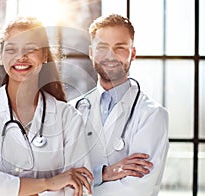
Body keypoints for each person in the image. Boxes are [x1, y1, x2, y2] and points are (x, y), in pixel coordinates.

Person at [0, 16, 93, 196]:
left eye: (31, 49)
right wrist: (49, 183)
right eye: (11, 49)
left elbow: (81, 189)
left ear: (44, 56)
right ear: (1, 57)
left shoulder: (68, 117)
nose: (21, 57)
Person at [69, 14, 169, 195]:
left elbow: (136, 190)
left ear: (133, 53)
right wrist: (104, 173)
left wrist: (81, 185)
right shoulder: (71, 110)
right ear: (91, 52)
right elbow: (56, 180)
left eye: (120, 47)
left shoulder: (152, 115)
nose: (110, 56)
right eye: (102, 47)